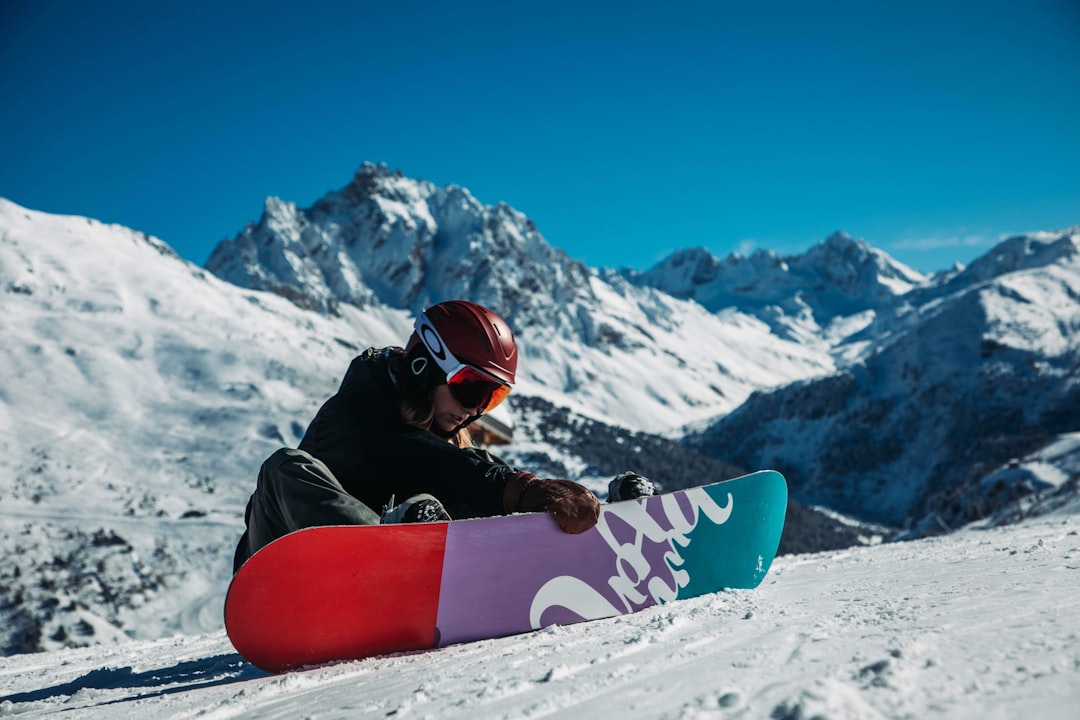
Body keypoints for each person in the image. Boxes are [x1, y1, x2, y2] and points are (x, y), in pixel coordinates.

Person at [233, 300, 655, 573]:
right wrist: (515, 489)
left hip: (384, 577)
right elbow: (404, 453)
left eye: (493, 396)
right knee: (283, 467)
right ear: (425, 368)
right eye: (472, 388)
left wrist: (563, 504)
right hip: (280, 571)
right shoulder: (354, 413)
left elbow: (471, 473)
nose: (477, 408)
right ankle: (387, 549)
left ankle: (598, 538)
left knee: (463, 492)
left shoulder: (446, 440)